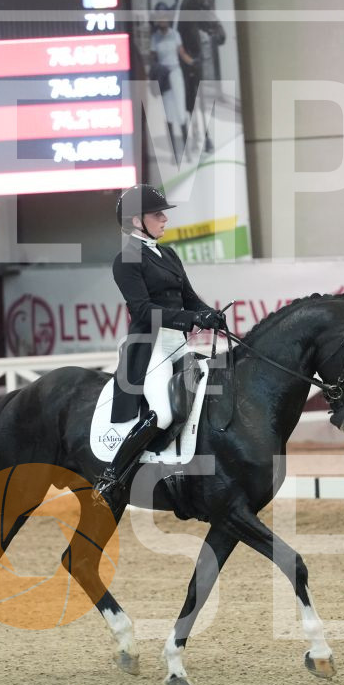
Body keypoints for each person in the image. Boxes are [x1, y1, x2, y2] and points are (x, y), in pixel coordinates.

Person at [93, 184, 224, 504]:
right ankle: (111, 476)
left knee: (211, 396)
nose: (165, 219)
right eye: (157, 214)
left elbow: (189, 298)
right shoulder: (125, 260)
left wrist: (209, 314)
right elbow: (142, 310)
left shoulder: (168, 254)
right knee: (163, 413)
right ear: (137, 221)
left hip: (179, 344)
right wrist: (190, 319)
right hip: (151, 346)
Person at [177, 0, 227, 154]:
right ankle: (191, 133)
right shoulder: (186, 17)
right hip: (183, 61)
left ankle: (204, 136)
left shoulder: (196, 19)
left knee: (200, 97)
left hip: (195, 58)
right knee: (188, 98)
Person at [149, 2, 194, 162]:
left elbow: (182, 54)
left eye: (165, 16)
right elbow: (153, 59)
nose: (162, 19)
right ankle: (175, 154)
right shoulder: (155, 38)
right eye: (159, 17)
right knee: (168, 113)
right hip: (164, 77)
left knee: (180, 112)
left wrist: (193, 62)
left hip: (175, 73)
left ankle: (187, 152)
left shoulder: (175, 34)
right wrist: (154, 76)